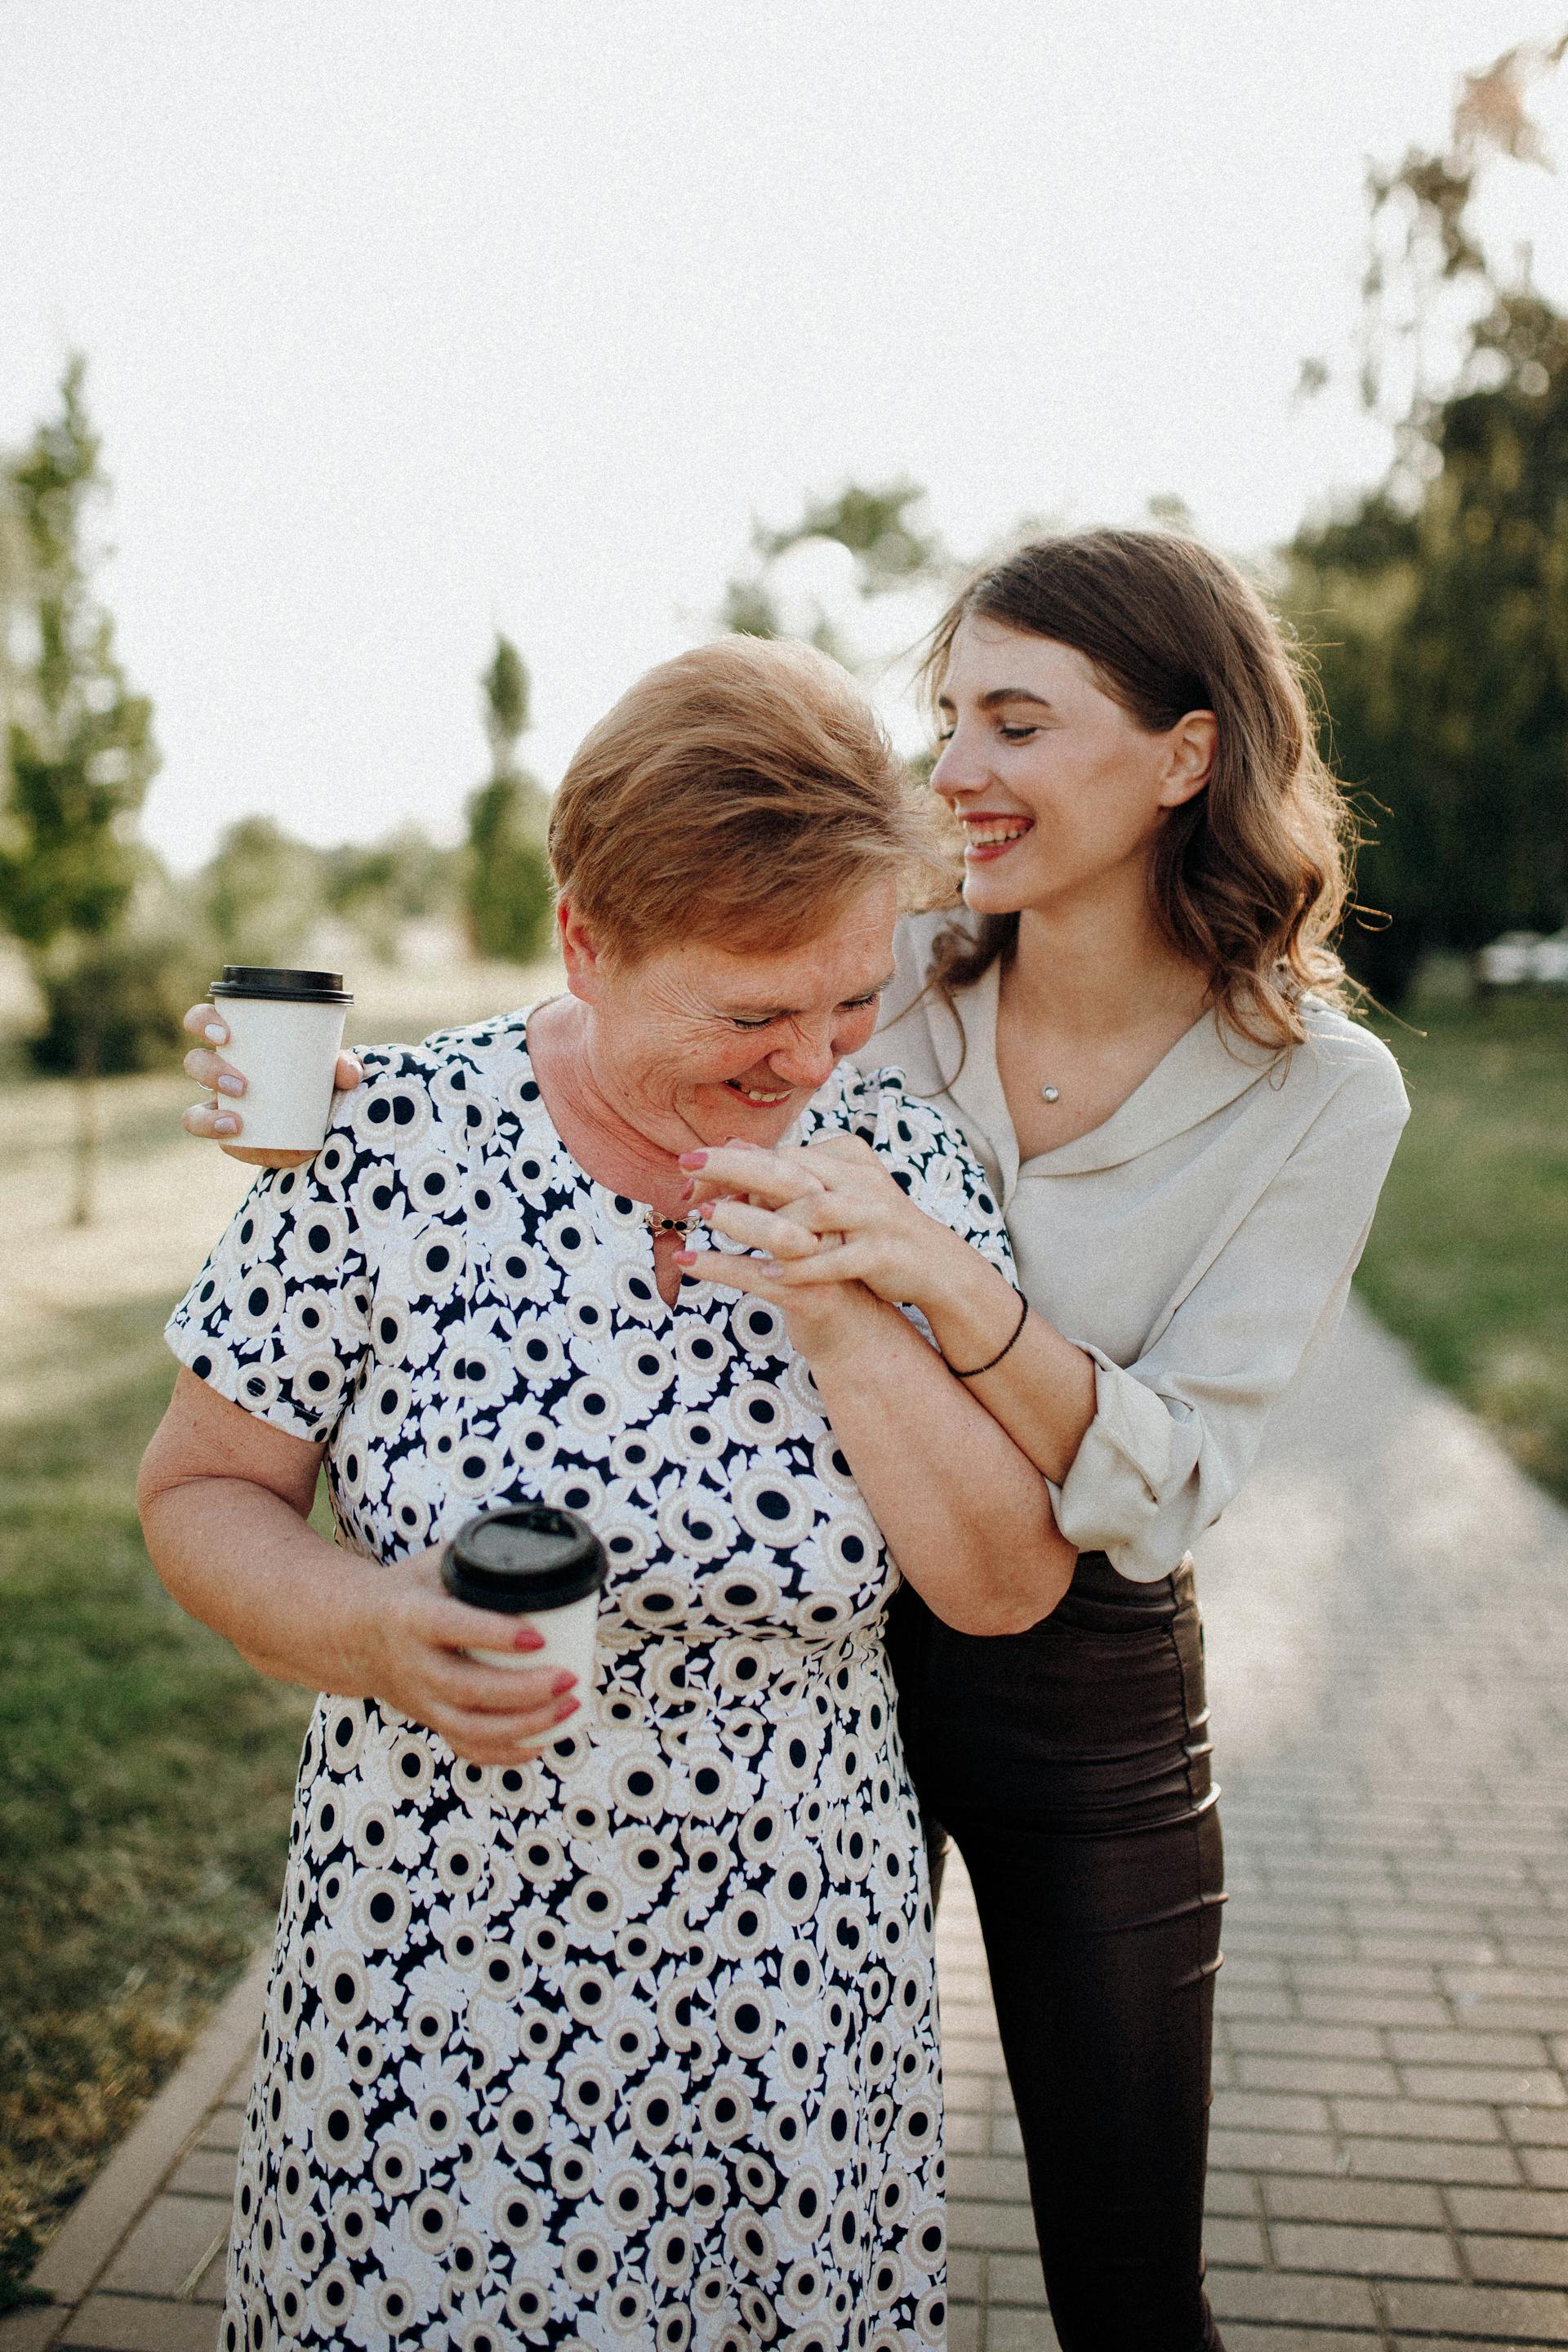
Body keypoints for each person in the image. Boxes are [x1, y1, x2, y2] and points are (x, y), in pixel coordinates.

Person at [141, 635, 1071, 2352]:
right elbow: (199, 1491)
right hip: (438, 1976)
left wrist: (848, 1308)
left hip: (796, 1984)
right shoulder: (382, 1146)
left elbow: (1004, 1586)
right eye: (749, 1012)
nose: (811, 1061)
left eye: (853, 999)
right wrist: (370, 1627)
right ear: (586, 937)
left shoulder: (906, 1159)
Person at [675, 530, 1410, 2352]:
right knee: (745, 2226)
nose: (956, 774)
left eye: (1016, 720)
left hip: (1082, 1692)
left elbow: (1165, 1477)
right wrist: (359, 1100)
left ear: (1184, 756)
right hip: (809, 1652)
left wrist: (943, 1278)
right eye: (950, 723)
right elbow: (635, 1052)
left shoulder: (1321, 1093)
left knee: (1130, 2274)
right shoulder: (892, 972)